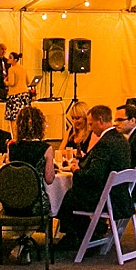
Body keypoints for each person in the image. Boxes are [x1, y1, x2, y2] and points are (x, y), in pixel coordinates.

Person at [56, 106, 131, 248]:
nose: (90, 127)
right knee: (71, 196)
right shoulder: (122, 140)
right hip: (120, 195)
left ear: (100, 120)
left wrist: (76, 171)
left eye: (91, 124)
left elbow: (93, 176)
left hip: (107, 199)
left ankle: (78, 236)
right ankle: (87, 232)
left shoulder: (105, 144)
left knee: (67, 197)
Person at [8, 105, 56, 185]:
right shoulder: (46, 148)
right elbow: (49, 179)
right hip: (35, 194)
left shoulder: (12, 146)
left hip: (16, 194)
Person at [2, 51, 32, 125]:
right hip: (25, 95)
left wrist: (5, 82)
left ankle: (15, 136)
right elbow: (28, 81)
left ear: (15, 60)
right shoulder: (23, 68)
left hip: (15, 95)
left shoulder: (11, 69)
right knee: (25, 117)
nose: (8, 59)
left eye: (10, 58)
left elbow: (12, 83)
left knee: (14, 119)